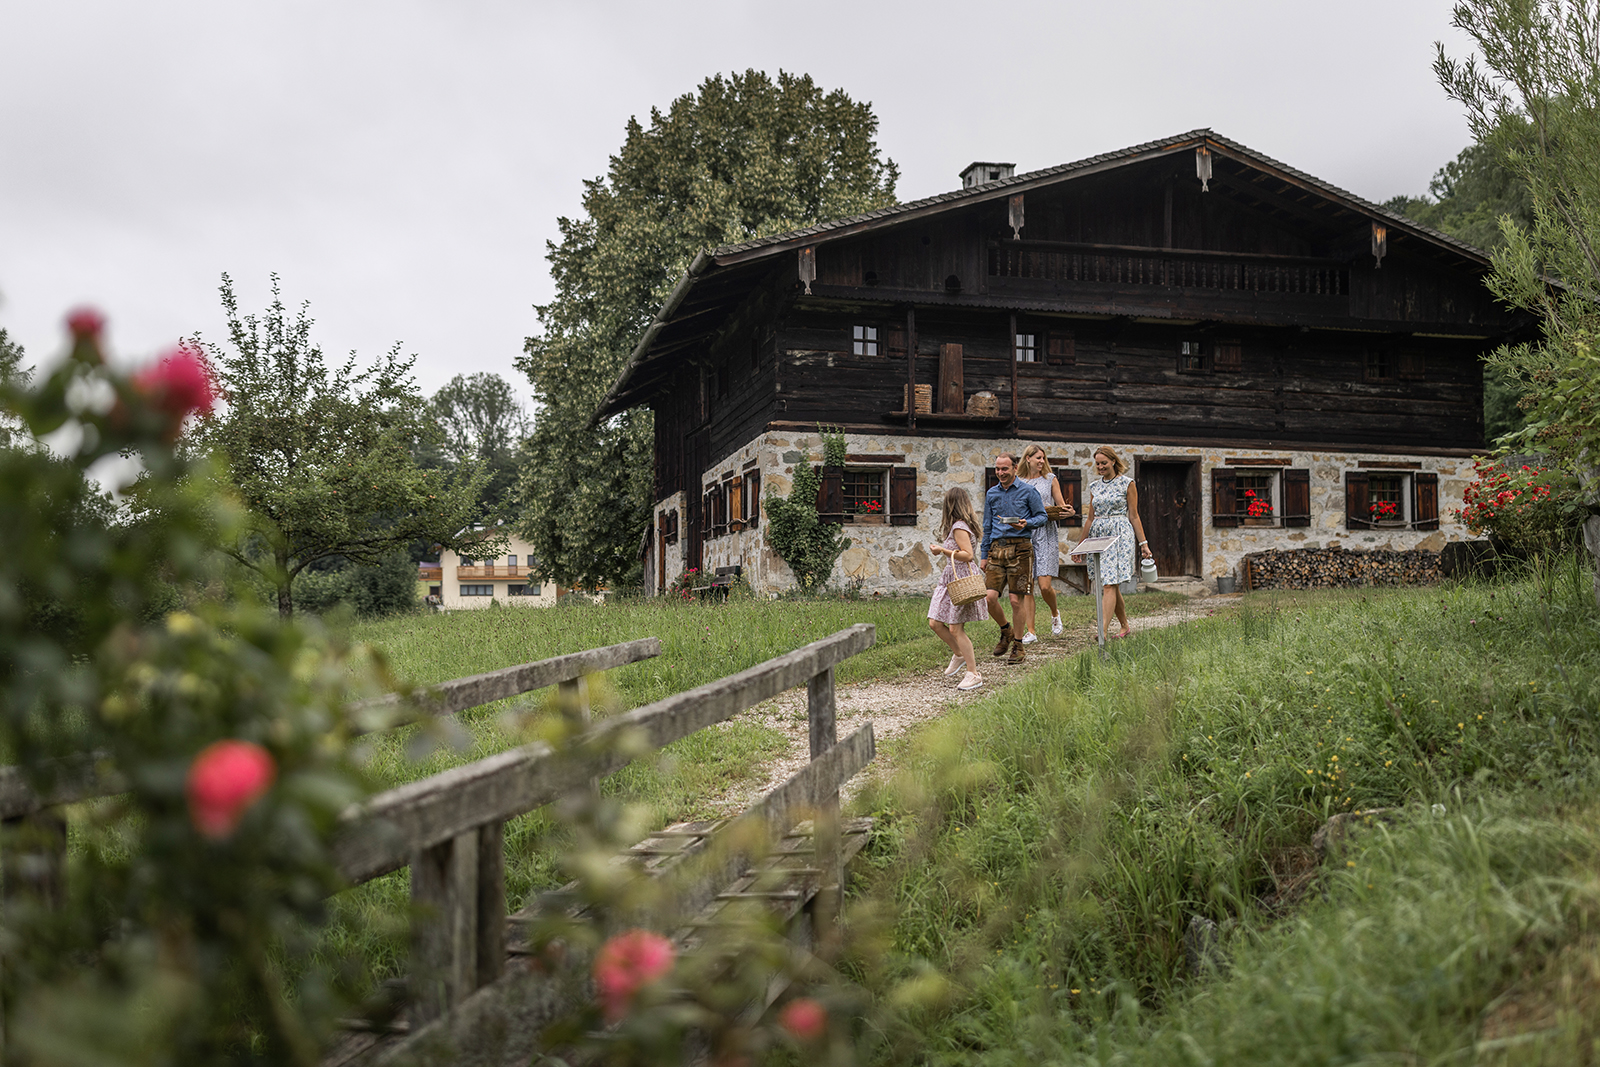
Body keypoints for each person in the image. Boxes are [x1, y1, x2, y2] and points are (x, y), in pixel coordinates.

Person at [1070, 446, 1153, 639]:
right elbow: (1090, 519)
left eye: (1104, 463)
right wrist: (1080, 546)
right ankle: (1124, 626)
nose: (1100, 467)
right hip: (1099, 536)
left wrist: (1144, 544)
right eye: (1098, 463)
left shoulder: (1127, 483)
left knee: (1109, 584)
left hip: (1119, 535)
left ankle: (1103, 631)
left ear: (1113, 461)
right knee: (1110, 584)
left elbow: (1134, 516)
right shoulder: (1095, 487)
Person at [979, 451, 1047, 664]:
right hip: (996, 550)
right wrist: (983, 555)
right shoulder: (991, 493)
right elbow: (987, 526)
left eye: (1004, 469)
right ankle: (1006, 630)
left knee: (1016, 600)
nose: (1000, 473)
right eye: (997, 469)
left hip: (1021, 550)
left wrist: (1026, 523)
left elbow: (1042, 516)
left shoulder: (1029, 491)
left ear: (1015, 468)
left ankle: (1018, 645)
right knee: (988, 598)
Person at [927, 487, 985, 691]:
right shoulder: (957, 526)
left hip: (960, 578)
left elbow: (968, 555)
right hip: (950, 578)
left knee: (955, 628)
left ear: (949, 504)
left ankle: (973, 674)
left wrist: (942, 550)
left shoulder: (959, 526)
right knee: (935, 622)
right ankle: (959, 654)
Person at [1016, 444, 1075, 644]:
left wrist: (1068, 511)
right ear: (1028, 459)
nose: (1041, 461)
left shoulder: (1050, 479)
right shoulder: (1018, 482)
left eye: (1043, 458)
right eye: (1038, 458)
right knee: (1028, 585)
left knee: (1044, 586)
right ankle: (1031, 631)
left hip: (1046, 533)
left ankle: (1055, 613)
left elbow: (1061, 506)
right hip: (1026, 533)